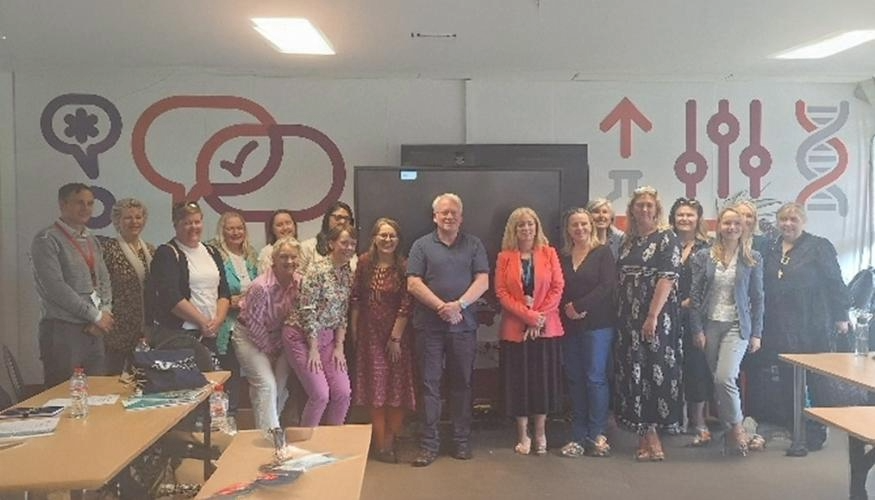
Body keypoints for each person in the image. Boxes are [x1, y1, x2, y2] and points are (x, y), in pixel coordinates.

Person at [407, 193, 490, 467]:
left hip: (463, 328)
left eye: (454, 212)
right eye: (444, 212)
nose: (449, 216)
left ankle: (461, 442)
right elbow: (413, 283)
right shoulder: (421, 245)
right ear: (435, 217)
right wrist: (442, 307)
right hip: (428, 328)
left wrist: (459, 305)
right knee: (430, 385)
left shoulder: (474, 244)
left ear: (461, 217)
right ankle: (428, 445)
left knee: (462, 385)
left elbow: (483, 281)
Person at [760, 202, 850, 452]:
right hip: (779, 325)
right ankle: (795, 429)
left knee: (815, 381)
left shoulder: (819, 246)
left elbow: (835, 281)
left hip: (812, 324)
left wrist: (841, 315)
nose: (788, 224)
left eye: (793, 219)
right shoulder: (771, 248)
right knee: (788, 380)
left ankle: (816, 431)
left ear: (803, 221)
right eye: (783, 220)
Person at [614, 186, 683, 461]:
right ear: (632, 209)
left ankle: (654, 438)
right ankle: (643, 435)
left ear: (657, 210)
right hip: (627, 316)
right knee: (634, 373)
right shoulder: (628, 241)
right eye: (639, 205)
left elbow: (667, 278)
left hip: (656, 316)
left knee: (655, 372)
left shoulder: (666, 238)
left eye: (649, 206)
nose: (644, 209)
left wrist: (652, 316)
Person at [689, 206, 765, 455]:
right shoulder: (704, 256)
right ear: (719, 226)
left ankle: (737, 430)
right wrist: (697, 329)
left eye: (737, 224)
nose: (732, 228)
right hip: (710, 324)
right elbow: (695, 296)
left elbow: (758, 297)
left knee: (725, 377)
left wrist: (756, 333)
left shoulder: (752, 257)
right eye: (727, 223)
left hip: (737, 326)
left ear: (743, 227)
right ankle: (735, 428)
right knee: (719, 382)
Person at [495, 207, 565, 457]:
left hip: (545, 331)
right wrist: (529, 316)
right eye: (520, 225)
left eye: (530, 224)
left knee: (541, 383)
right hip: (515, 330)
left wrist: (539, 319)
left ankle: (540, 433)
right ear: (513, 230)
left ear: (537, 227)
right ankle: (522, 434)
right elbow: (502, 293)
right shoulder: (504, 257)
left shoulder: (549, 253)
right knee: (519, 383)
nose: (526, 229)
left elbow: (558, 287)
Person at [31, 183, 113, 387]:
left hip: (95, 330)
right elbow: (55, 288)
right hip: (63, 330)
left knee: (97, 393)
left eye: (90, 203)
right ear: (63, 205)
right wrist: (94, 315)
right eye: (79, 203)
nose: (86, 209)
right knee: (64, 395)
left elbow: (103, 279)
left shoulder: (91, 239)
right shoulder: (46, 239)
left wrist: (105, 312)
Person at [350, 218, 417, 464]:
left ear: (398, 241)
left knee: (396, 389)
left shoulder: (404, 265)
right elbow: (356, 298)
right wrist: (355, 332)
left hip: (397, 337)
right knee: (375, 390)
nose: (387, 240)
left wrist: (396, 338)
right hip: (369, 337)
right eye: (383, 235)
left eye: (392, 236)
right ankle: (381, 444)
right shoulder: (364, 263)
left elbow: (406, 305)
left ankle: (391, 437)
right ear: (374, 238)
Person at [282, 224, 357, 427]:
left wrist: (339, 347)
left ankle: (331, 445)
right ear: (331, 244)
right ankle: (307, 448)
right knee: (320, 395)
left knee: (343, 393)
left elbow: (342, 312)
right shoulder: (316, 271)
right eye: (344, 242)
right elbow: (308, 311)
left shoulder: (348, 273)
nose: (348, 247)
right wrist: (313, 348)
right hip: (301, 336)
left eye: (352, 243)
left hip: (328, 338)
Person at [558, 208, 617, 458]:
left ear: (591, 226)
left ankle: (597, 434)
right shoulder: (562, 256)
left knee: (595, 377)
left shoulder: (602, 253)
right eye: (575, 225)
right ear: (568, 230)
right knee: (575, 378)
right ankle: (578, 436)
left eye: (584, 224)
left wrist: (579, 307)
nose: (580, 229)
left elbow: (607, 286)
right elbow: (557, 287)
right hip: (569, 325)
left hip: (598, 325)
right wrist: (567, 309)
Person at [150, 201, 230, 366]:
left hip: (209, 335)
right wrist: (202, 322)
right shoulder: (167, 253)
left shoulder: (212, 252)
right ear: (176, 225)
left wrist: (217, 321)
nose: (193, 227)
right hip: (180, 335)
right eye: (187, 223)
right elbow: (170, 297)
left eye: (197, 221)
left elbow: (224, 292)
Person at [233, 237, 301, 431]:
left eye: (293, 257)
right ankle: (270, 438)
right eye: (283, 257)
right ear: (273, 260)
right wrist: (270, 351)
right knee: (266, 385)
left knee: (278, 386)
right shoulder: (260, 287)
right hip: (250, 337)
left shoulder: (299, 282)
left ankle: (269, 428)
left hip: (279, 339)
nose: (289, 261)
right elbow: (254, 325)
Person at [668, 197, 712, 446]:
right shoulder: (665, 244)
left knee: (697, 369)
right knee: (669, 367)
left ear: (698, 219)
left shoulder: (707, 248)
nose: (684, 219)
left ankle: (699, 422)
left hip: (697, 317)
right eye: (680, 215)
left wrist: (691, 303)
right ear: (673, 218)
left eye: (690, 215)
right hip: (667, 316)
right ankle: (673, 420)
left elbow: (713, 284)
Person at [96, 198, 155, 375]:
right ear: (117, 221)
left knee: (142, 380)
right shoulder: (108, 250)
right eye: (128, 218)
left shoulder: (151, 250)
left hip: (144, 328)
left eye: (138, 217)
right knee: (110, 380)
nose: (134, 222)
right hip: (116, 328)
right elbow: (99, 286)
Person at [210, 211, 259, 417]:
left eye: (239, 228)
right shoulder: (214, 255)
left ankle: (237, 417)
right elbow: (209, 292)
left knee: (248, 376)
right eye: (230, 228)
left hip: (250, 326)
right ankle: (225, 419)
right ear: (222, 231)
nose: (235, 232)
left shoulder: (251, 255)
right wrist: (231, 302)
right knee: (229, 375)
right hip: (226, 327)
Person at [299, 201, 357, 273]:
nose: (342, 221)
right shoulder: (307, 247)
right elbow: (298, 278)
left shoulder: (351, 250)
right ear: (327, 219)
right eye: (338, 217)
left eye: (347, 218)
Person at [258, 209, 297, 274]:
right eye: (279, 225)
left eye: (288, 223)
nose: (285, 228)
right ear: (272, 230)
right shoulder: (267, 253)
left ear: (294, 226)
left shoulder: (304, 248)